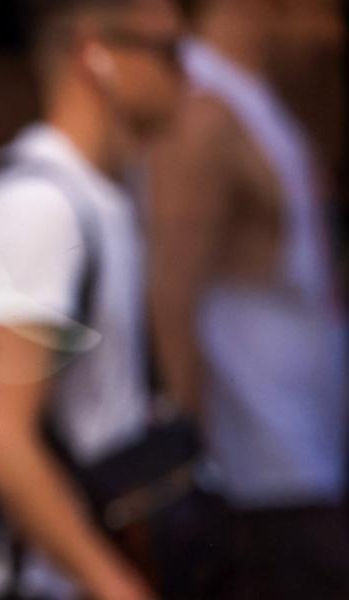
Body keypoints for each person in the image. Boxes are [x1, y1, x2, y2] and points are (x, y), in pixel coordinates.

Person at [0, 1, 183, 598]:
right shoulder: (41, 208)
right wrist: (116, 586)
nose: (186, 74)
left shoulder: (104, 197)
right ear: (92, 53)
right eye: (167, 50)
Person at [149, 0, 349, 597]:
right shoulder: (202, 109)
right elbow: (170, 294)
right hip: (260, 483)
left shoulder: (257, 102)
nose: (335, 32)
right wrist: (190, 476)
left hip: (303, 464)